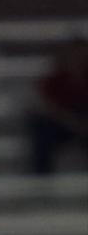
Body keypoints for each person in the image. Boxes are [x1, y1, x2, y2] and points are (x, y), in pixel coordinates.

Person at [26, 37, 88, 176]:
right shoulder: (53, 80)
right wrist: (71, 121)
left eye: (82, 54)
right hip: (61, 125)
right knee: (42, 131)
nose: (78, 58)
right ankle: (41, 183)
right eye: (75, 54)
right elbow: (43, 105)